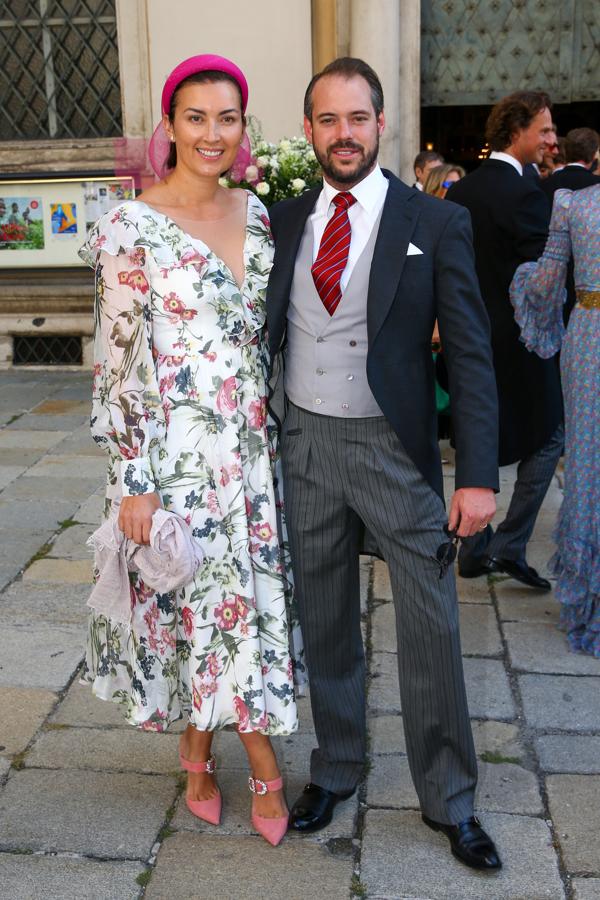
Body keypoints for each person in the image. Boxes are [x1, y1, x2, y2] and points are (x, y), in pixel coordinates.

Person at [267, 57, 502, 870]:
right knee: (326, 618)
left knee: (431, 625)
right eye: (327, 120)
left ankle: (451, 800)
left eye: (357, 118)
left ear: (380, 124)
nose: (343, 134)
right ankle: (336, 767)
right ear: (309, 130)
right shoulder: (284, 219)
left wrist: (477, 475)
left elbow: (470, 354)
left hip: (392, 450)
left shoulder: (432, 223)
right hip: (306, 444)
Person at [79, 54, 301, 847]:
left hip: (249, 453)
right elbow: (119, 362)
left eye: (228, 118)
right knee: (212, 609)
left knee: (233, 609)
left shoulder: (259, 212)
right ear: (168, 125)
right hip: (174, 459)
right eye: (197, 117)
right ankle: (263, 761)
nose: (213, 134)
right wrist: (133, 482)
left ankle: (197, 752)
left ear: (245, 128)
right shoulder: (130, 225)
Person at [447, 91, 563, 590]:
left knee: (480, 437)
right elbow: (544, 277)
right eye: (545, 129)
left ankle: (473, 546)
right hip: (520, 343)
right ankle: (509, 546)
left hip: (469, 341)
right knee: (551, 434)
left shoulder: (461, 192)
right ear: (516, 132)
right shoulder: (527, 194)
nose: (551, 140)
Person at [510, 185, 600, 657]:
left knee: (587, 466)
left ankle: (591, 601)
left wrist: (522, 285)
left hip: (590, 336)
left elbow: (546, 282)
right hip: (588, 339)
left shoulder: (574, 204)